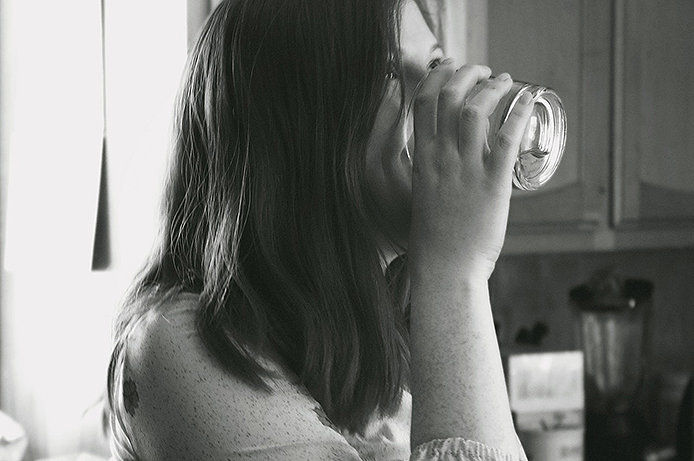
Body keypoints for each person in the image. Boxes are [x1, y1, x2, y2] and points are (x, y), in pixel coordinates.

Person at [106, 0, 534, 459]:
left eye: (431, 64)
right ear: (291, 128)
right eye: (385, 72)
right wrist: (455, 273)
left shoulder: (391, 327)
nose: (434, 96)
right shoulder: (180, 346)